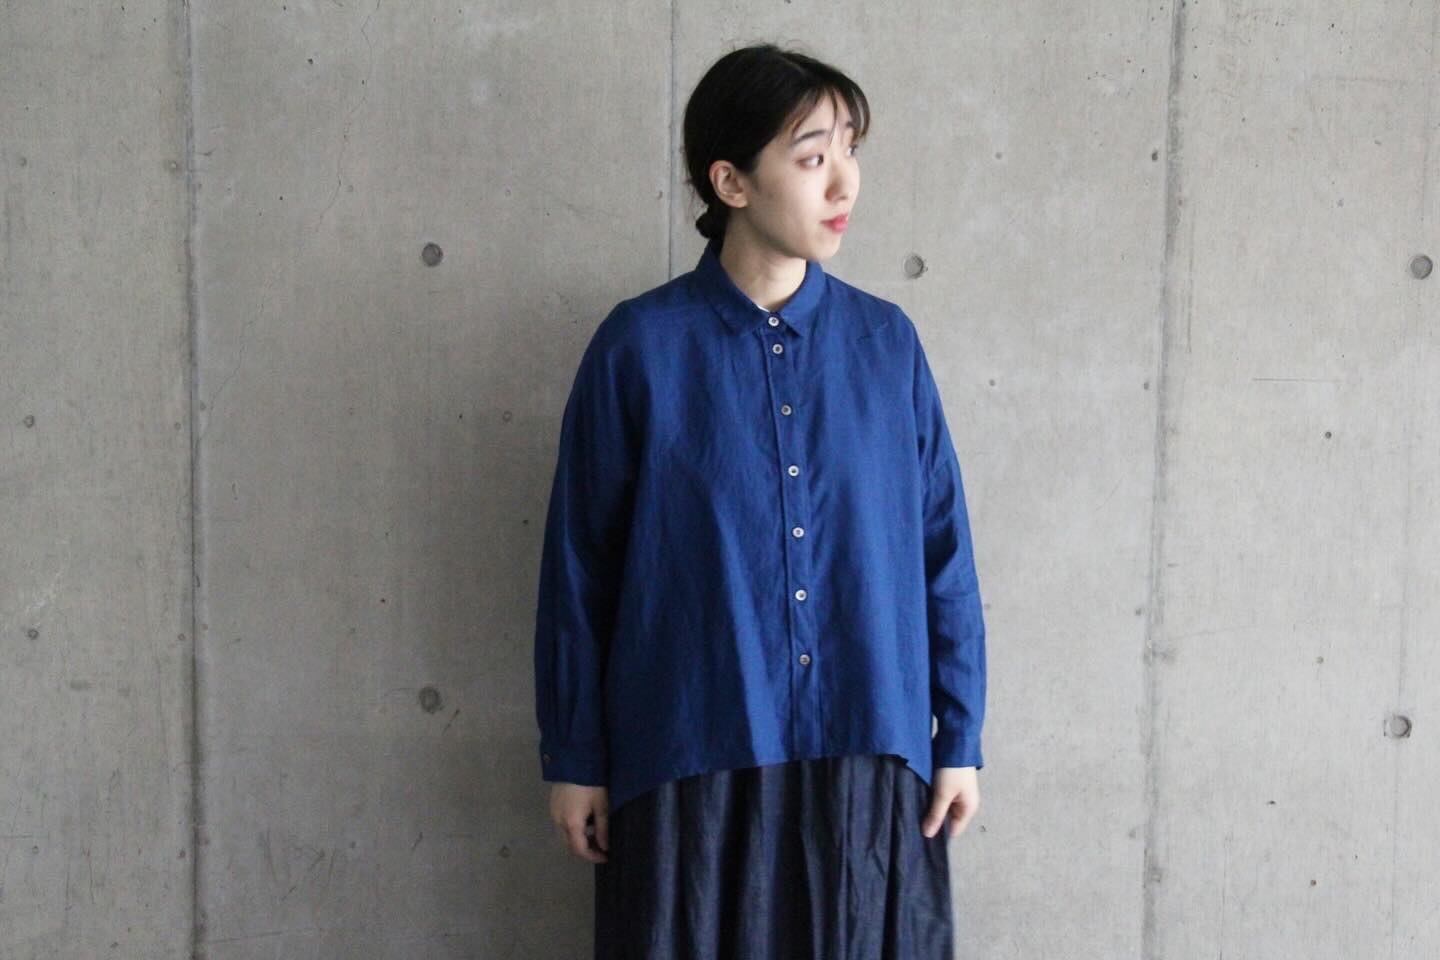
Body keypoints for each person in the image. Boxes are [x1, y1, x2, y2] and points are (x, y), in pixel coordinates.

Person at [533, 42, 987, 958]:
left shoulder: (885, 345)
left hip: (866, 747)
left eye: (850, 150)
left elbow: (942, 551)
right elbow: (579, 568)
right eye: (813, 157)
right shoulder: (639, 349)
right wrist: (575, 757)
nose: (844, 183)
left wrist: (960, 737)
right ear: (731, 182)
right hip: (691, 750)